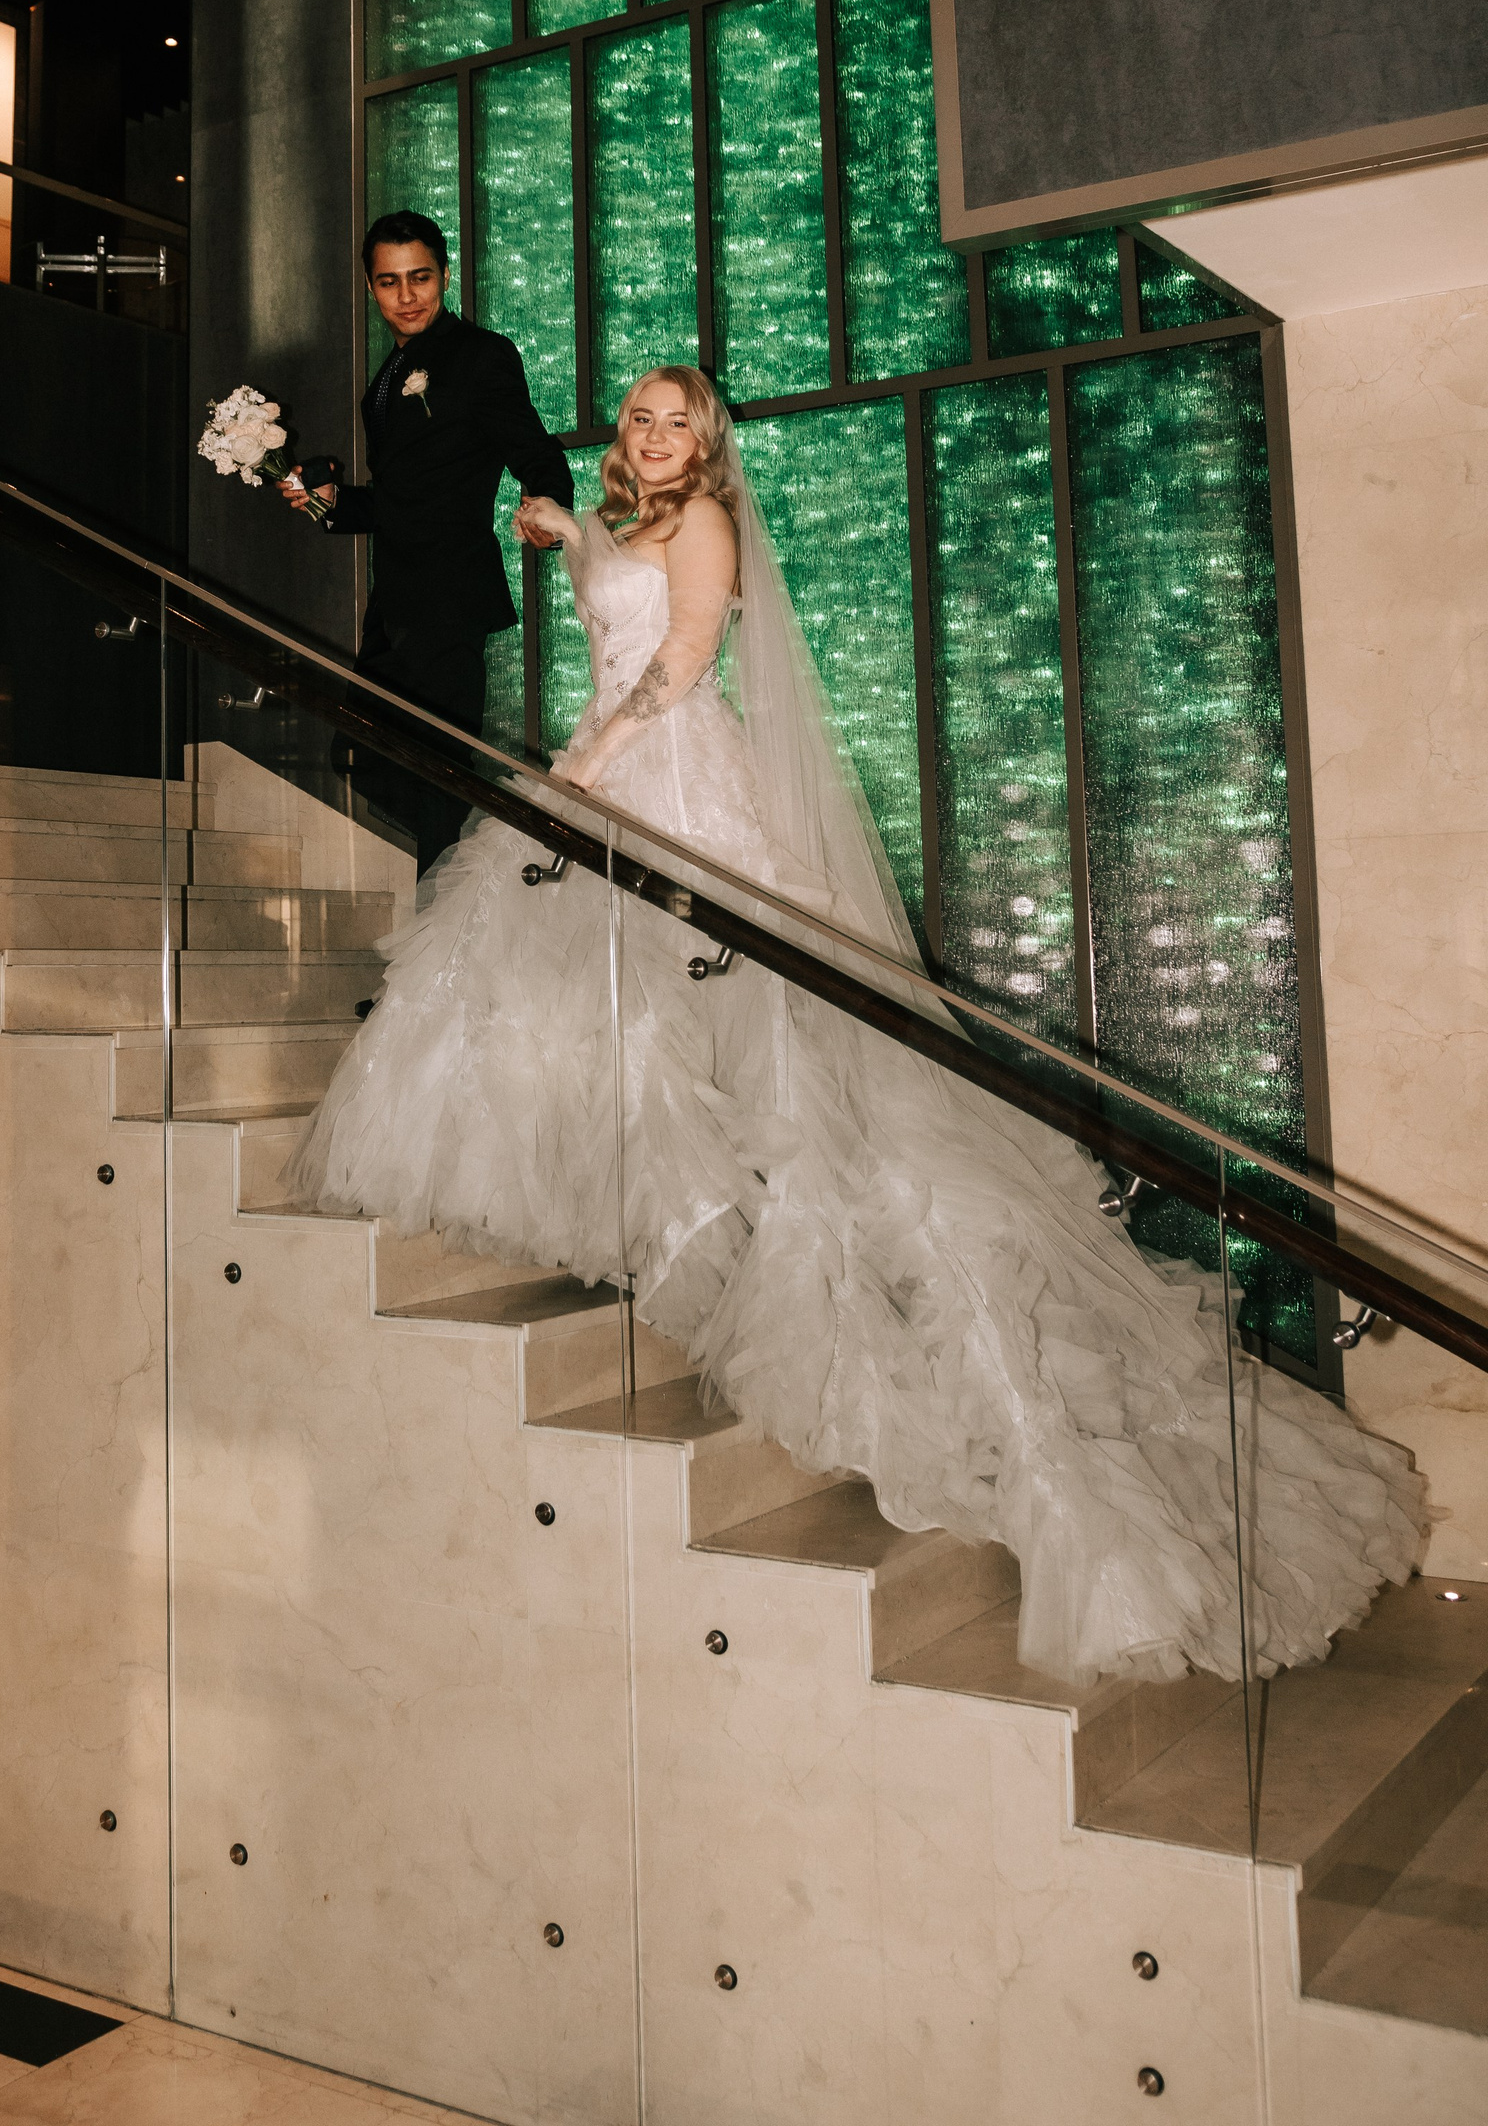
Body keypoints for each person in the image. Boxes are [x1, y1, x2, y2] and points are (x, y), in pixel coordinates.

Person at [290, 366, 1426, 1690]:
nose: (653, 436)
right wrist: (566, 531)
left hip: (666, 780)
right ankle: (663, 1215)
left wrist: (587, 765)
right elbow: (614, 579)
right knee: (588, 1010)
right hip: (607, 764)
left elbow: (683, 656)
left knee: (778, 1056)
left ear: (706, 443)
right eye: (641, 419)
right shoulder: (636, 521)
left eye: (676, 422)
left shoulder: (707, 522)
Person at [282, 211, 575, 878]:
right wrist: (330, 502)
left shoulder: (479, 355)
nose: (407, 295)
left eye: (420, 277)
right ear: (370, 286)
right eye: (389, 282)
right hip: (395, 602)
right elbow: (403, 496)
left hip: (450, 593)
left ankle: (446, 928)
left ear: (445, 274)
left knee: (436, 773)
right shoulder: (389, 377)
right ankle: (471, 891)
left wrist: (546, 506)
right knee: (365, 756)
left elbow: (535, 451)